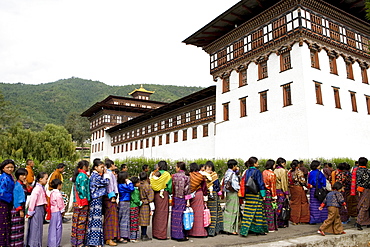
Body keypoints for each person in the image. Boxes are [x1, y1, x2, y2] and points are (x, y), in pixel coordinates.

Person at [239, 157, 268, 237]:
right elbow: (260, 183)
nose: (258, 163)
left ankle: (245, 231)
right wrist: (263, 194)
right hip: (255, 194)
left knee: (248, 212)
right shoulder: (257, 171)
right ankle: (259, 230)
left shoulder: (246, 171)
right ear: (254, 163)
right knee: (258, 213)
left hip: (248, 195)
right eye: (257, 162)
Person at [86, 160, 109, 247]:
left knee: (95, 220)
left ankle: (94, 241)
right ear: (95, 167)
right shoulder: (96, 176)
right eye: (101, 167)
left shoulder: (94, 175)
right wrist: (106, 174)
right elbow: (106, 182)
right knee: (96, 220)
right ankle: (94, 242)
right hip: (96, 199)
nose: (103, 169)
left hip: (96, 199)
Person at [150, 161, 172, 240]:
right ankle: (161, 235)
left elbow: (152, 183)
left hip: (155, 195)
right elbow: (169, 186)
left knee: (156, 214)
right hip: (163, 195)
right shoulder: (166, 174)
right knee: (163, 214)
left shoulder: (154, 173)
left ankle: (155, 233)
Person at [71, 160, 90, 247]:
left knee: (76, 222)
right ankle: (80, 242)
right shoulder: (83, 176)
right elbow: (82, 190)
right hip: (82, 202)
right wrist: (85, 200)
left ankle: (75, 242)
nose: (89, 167)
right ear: (84, 166)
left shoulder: (78, 175)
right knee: (82, 222)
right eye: (88, 166)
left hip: (77, 202)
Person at [26, 172, 48, 247]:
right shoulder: (37, 189)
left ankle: (37, 243)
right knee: (36, 227)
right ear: (40, 179)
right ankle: (34, 244)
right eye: (46, 179)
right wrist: (30, 211)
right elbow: (33, 201)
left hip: (40, 208)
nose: (47, 180)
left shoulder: (40, 187)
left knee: (38, 227)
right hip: (37, 209)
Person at [11, 167, 32, 247]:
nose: (24, 177)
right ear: (18, 176)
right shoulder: (17, 185)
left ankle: (19, 243)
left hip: (22, 208)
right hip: (17, 208)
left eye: (25, 175)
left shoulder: (23, 184)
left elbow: (30, 191)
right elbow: (16, 199)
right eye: (22, 175)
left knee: (20, 227)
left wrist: (27, 184)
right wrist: (20, 210)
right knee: (16, 228)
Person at [171, 162, 190, 241]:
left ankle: (175, 235)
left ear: (179, 167)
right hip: (182, 199)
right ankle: (182, 235)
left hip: (175, 198)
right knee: (182, 217)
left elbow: (171, 188)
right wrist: (188, 201)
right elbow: (187, 190)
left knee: (175, 216)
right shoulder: (187, 177)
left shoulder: (173, 176)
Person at [188, 162, 208, 237]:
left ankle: (190, 231)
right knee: (199, 213)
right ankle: (200, 232)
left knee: (191, 213)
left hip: (190, 195)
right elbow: (204, 188)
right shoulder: (201, 176)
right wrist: (205, 197)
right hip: (199, 194)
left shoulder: (189, 176)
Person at [204, 161, 223, 237]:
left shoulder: (214, 175)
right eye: (207, 168)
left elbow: (217, 186)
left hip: (213, 195)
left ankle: (212, 231)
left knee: (214, 213)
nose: (208, 169)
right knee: (207, 213)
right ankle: (208, 230)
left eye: (210, 168)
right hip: (206, 195)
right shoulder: (203, 175)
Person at [288, 160, 309, 225]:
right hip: (298, 188)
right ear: (298, 165)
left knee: (294, 203)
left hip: (291, 188)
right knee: (303, 202)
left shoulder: (289, 172)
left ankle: (294, 219)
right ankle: (302, 219)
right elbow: (302, 181)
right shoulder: (299, 172)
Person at [103, 159, 119, 246]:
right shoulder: (108, 173)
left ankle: (108, 238)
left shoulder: (108, 173)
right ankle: (109, 238)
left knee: (109, 218)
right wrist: (112, 196)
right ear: (111, 165)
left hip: (109, 196)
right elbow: (110, 186)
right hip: (110, 197)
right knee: (110, 219)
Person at [0, 159, 15, 246]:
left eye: (12, 167)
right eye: (7, 167)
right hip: (3, 202)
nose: (10, 169)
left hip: (8, 202)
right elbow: (2, 193)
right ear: (3, 168)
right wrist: (11, 199)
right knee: (3, 224)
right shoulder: (3, 178)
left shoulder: (10, 177)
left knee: (7, 223)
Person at [222, 159, 240, 235]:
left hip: (228, 193)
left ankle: (226, 227)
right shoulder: (232, 174)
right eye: (235, 165)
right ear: (233, 166)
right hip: (233, 193)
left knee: (228, 210)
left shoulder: (227, 172)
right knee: (233, 211)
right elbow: (235, 185)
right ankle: (230, 229)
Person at [352, 157, 370, 230]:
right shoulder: (367, 171)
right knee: (365, 206)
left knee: (361, 204)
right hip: (366, 189)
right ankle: (359, 222)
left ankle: (366, 222)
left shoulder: (356, 170)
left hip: (357, 189)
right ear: (366, 163)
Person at [117, 171, 134, 243]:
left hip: (123, 202)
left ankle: (125, 235)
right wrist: (129, 182)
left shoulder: (120, 185)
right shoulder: (122, 185)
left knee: (125, 218)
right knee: (124, 218)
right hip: (124, 202)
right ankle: (123, 235)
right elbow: (131, 188)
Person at [48, 179, 65, 247]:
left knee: (52, 228)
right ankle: (56, 244)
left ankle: (51, 243)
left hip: (52, 211)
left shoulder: (52, 193)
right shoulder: (58, 194)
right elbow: (60, 203)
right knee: (58, 228)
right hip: (57, 211)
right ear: (58, 185)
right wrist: (62, 211)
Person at [262, 159, 278, 232]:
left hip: (263, 192)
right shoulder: (272, 174)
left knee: (265, 210)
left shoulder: (263, 172)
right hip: (269, 192)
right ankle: (270, 227)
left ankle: (265, 226)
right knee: (270, 211)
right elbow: (273, 186)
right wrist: (274, 196)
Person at [138, 171, 154, 241]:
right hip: (145, 204)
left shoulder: (139, 184)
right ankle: (144, 234)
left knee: (142, 220)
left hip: (140, 203)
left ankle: (143, 234)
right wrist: (150, 201)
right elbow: (150, 196)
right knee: (145, 220)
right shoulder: (147, 185)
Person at [274, 157, 289, 228]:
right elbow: (284, 182)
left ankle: (274, 221)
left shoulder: (274, 170)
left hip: (275, 190)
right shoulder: (282, 171)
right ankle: (280, 223)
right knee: (281, 207)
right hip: (281, 190)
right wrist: (286, 193)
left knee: (276, 206)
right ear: (282, 163)